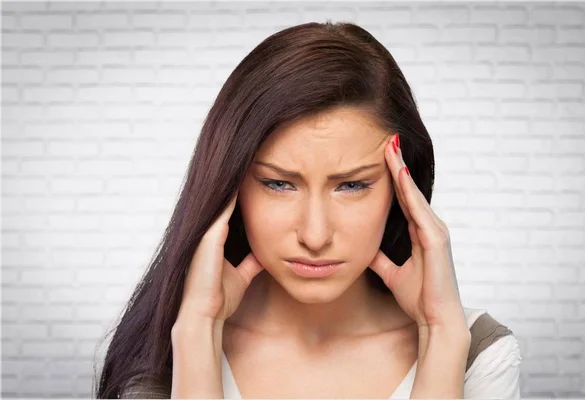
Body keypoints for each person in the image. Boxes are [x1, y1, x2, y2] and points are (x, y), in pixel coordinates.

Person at [93, 21, 522, 399]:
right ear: (229, 186)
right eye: (278, 183)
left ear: (400, 188)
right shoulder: (164, 361)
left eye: (352, 185)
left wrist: (441, 335)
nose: (315, 236)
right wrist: (198, 333)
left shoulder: (478, 354)